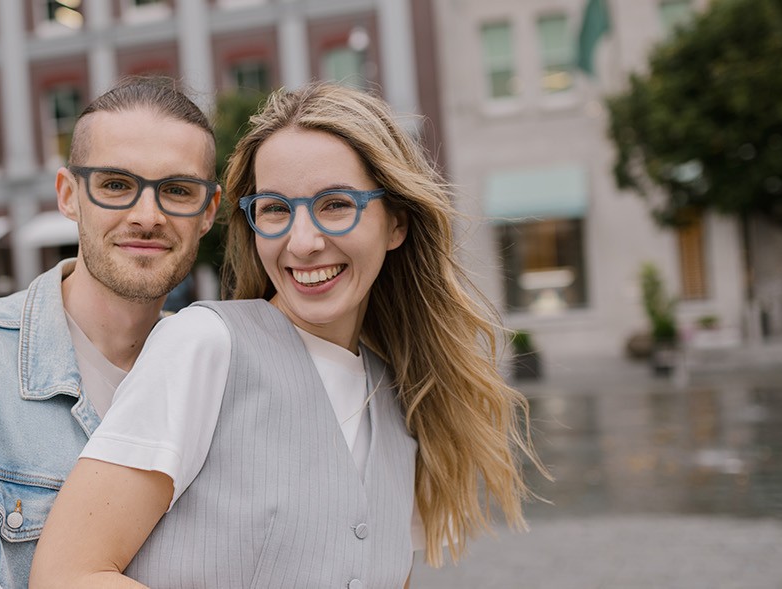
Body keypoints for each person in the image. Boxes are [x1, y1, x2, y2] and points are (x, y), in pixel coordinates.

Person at [30, 82, 543, 588]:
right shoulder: (205, 346)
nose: (303, 242)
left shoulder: (402, 399)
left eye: (336, 204)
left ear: (396, 224)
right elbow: (66, 575)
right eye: (275, 209)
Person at [0, 77, 220, 588]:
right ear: (69, 195)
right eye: (116, 185)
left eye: (177, 190)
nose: (147, 216)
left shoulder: (216, 377)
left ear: (208, 211)